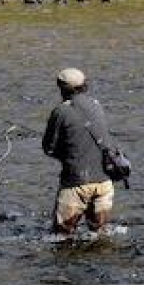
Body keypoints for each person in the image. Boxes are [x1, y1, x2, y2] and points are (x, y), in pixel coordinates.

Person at [42, 67, 117, 235]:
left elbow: (49, 149)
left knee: (62, 238)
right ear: (84, 85)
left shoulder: (60, 111)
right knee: (100, 236)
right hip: (105, 182)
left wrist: (67, 154)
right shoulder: (97, 105)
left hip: (75, 184)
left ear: (61, 88)